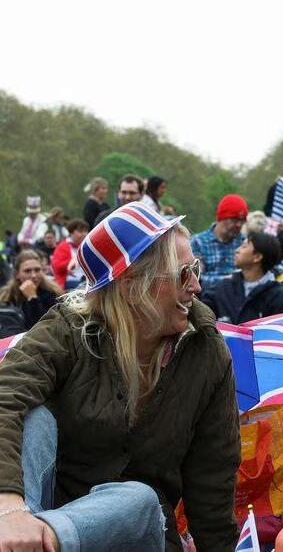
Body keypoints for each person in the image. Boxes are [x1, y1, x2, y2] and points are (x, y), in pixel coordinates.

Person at [0, 201, 240, 551]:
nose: (196, 287)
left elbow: (212, 475)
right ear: (131, 285)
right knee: (33, 418)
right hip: (44, 512)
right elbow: (5, 396)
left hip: (139, 535)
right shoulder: (68, 329)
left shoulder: (206, 352)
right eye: (183, 273)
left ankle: (42, 540)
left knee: (141, 499)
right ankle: (24, 538)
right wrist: (8, 506)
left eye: (196, 270)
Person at [204, 232, 283, 324]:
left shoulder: (280, 298)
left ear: (257, 257)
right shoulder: (223, 287)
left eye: (244, 247)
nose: (237, 250)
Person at [191, 194, 247, 292]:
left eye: (242, 221)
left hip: (239, 297)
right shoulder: (199, 242)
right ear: (221, 218)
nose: (239, 225)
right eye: (234, 220)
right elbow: (196, 279)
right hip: (208, 298)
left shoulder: (245, 243)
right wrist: (227, 281)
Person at [0, 249, 64, 330]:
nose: (33, 275)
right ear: (17, 274)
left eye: (37, 270)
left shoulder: (53, 293)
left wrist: (32, 298)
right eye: (27, 271)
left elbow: (45, 327)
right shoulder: (7, 295)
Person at [52, 219, 90, 290]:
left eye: (86, 231)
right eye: (80, 231)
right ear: (71, 233)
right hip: (70, 281)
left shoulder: (87, 246)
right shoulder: (63, 246)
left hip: (86, 279)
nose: (84, 234)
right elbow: (57, 267)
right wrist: (74, 261)